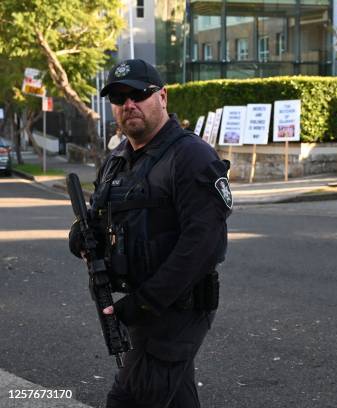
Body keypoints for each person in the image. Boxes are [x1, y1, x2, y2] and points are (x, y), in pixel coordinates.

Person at [68, 59, 231, 408]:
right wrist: (81, 237)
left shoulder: (191, 156)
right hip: (140, 305)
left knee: (129, 399)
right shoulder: (118, 158)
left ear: (162, 97)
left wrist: (144, 304)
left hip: (175, 308)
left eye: (139, 94)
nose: (129, 104)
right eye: (119, 97)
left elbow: (202, 245)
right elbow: (98, 217)